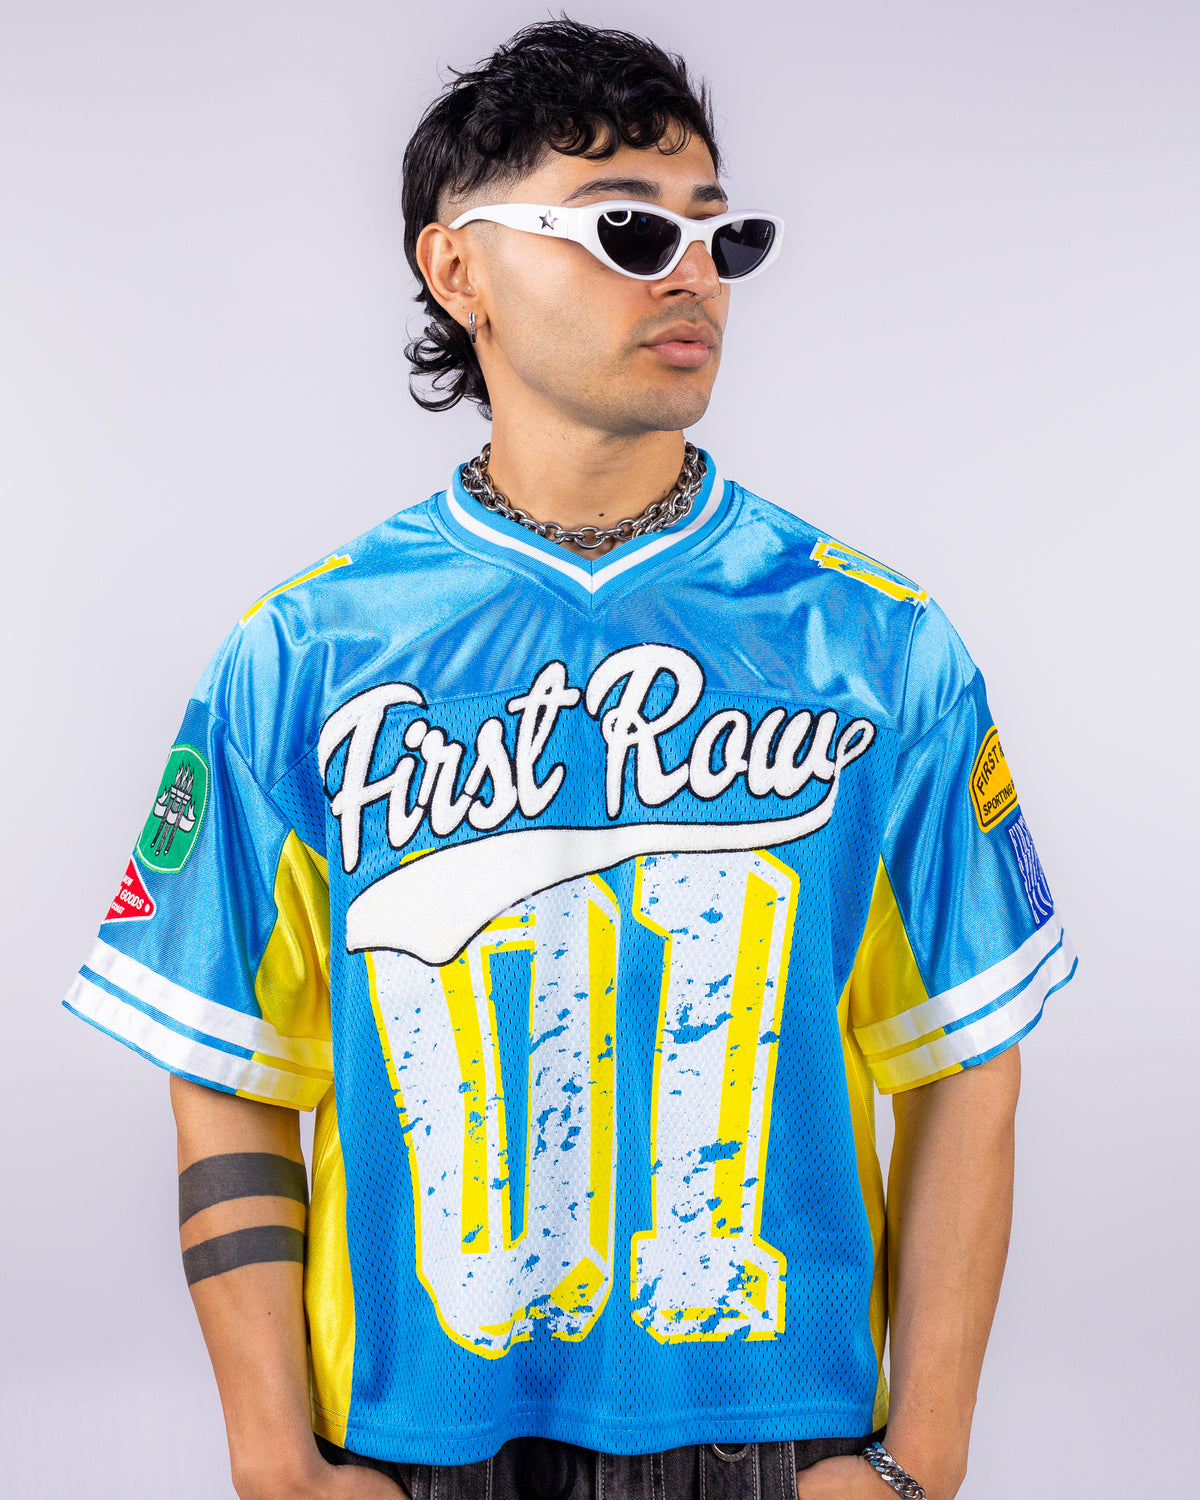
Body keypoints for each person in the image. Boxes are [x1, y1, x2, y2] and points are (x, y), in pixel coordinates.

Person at [65, 19, 1077, 1500]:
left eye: (720, 236)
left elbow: (966, 1064)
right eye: (627, 229)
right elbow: (226, 1064)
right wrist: (276, 1462)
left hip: (778, 1434)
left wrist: (919, 1461)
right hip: (414, 1440)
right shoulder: (307, 651)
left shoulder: (877, 644)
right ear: (458, 269)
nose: (691, 274)